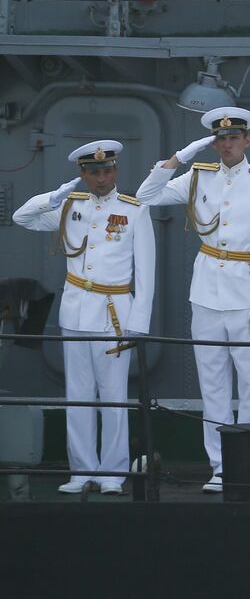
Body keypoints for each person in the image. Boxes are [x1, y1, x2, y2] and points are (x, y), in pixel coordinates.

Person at [135, 107, 250, 494]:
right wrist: (178, 159)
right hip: (205, 292)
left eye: (233, 138)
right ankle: (219, 466)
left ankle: (248, 464)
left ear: (247, 140)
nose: (226, 144)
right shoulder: (197, 177)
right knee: (213, 384)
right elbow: (145, 195)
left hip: (246, 290)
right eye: (220, 139)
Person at [14, 140, 154, 495]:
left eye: (107, 171)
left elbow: (147, 274)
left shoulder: (134, 210)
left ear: (115, 171)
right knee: (78, 395)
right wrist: (53, 197)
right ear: (83, 174)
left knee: (113, 397)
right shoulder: (68, 207)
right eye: (93, 172)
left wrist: (140, 321)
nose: (101, 178)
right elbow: (22, 217)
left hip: (114, 314)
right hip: (76, 311)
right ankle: (81, 471)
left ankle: (112, 473)